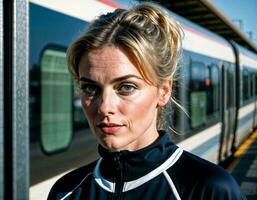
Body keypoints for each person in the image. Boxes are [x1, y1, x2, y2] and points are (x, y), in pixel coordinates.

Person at [48, 2, 246, 200]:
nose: (104, 107)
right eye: (90, 88)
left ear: (164, 91)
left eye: (127, 87)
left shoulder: (210, 189)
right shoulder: (65, 191)